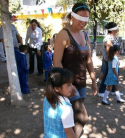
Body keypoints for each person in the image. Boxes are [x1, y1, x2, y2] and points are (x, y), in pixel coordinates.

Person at [53, 3, 97, 137]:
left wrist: (93, 81)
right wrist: (67, 84)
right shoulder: (63, 34)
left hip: (81, 82)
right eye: (80, 18)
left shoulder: (85, 36)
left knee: (76, 118)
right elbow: (56, 61)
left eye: (86, 19)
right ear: (72, 16)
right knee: (81, 116)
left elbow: (88, 60)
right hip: (67, 83)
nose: (83, 22)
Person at [43, 67, 76, 138]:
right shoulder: (66, 108)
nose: (72, 87)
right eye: (69, 85)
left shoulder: (47, 97)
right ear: (57, 88)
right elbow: (69, 130)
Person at [98, 22, 123, 97]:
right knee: (107, 74)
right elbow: (109, 50)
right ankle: (101, 91)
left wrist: (117, 59)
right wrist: (112, 61)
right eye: (116, 28)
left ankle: (113, 91)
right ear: (112, 30)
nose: (117, 29)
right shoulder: (109, 38)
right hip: (109, 60)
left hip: (114, 59)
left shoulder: (113, 37)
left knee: (115, 75)